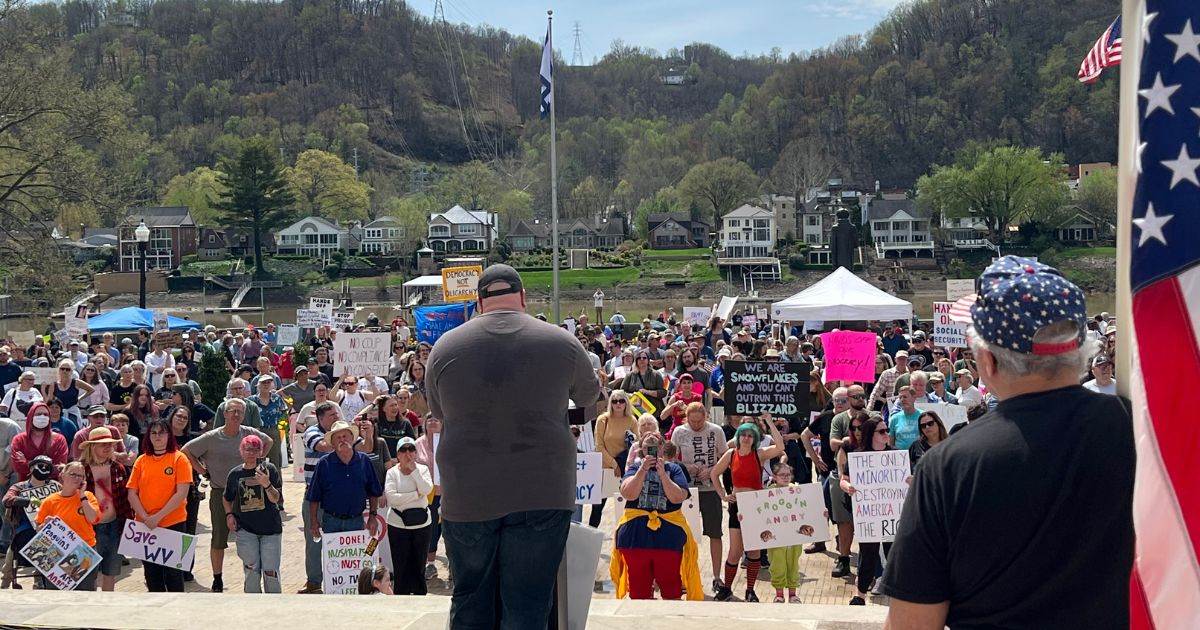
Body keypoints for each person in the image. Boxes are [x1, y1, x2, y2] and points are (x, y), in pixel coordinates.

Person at [882, 256, 1134, 630]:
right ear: (1082, 351)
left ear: (987, 361)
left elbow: (913, 623)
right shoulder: (1142, 433)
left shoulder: (947, 467)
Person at [425, 264, 601, 629]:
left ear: (478, 302)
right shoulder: (563, 342)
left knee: (470, 598)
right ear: (523, 298)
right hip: (543, 489)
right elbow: (588, 394)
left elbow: (439, 411)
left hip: (467, 492)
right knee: (528, 603)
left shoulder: (444, 347)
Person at [181, 398, 273, 592]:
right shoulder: (212, 437)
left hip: (249, 491)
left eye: (240, 411)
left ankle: (253, 578)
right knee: (219, 538)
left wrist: (258, 462)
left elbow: (268, 440)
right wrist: (202, 471)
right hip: (220, 491)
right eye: (232, 411)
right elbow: (186, 451)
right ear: (224, 413)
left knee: (251, 535)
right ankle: (217, 578)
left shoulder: (249, 433)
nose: (236, 415)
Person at [609, 432, 701, 601]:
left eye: (656, 449)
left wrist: (663, 475)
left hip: (668, 537)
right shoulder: (635, 468)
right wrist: (643, 469)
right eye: (647, 449)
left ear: (662, 449)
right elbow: (628, 494)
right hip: (635, 537)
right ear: (642, 452)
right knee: (638, 587)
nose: (653, 453)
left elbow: (678, 497)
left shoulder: (674, 469)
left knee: (670, 584)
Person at [710, 416, 785, 602]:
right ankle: (727, 587)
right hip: (737, 504)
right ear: (737, 436)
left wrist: (769, 423)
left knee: (754, 551)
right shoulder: (731, 454)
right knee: (735, 551)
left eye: (750, 435)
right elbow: (714, 473)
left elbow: (780, 447)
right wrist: (722, 495)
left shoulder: (758, 454)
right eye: (742, 434)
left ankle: (750, 590)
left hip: (756, 505)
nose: (746, 438)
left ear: (755, 438)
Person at [127, 418, 193, 592]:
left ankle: (175, 610)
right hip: (145, 525)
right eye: (153, 433)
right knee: (151, 572)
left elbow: (181, 493)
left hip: (173, 522)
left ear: (168, 435)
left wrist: (158, 516)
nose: (157, 436)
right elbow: (132, 493)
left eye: (161, 433)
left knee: (173, 573)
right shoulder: (141, 460)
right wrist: (146, 517)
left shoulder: (179, 459)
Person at [839, 415, 899, 605]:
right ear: (870, 434)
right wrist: (847, 487)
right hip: (868, 513)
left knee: (895, 553)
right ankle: (860, 594)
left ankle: (901, 595)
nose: (886, 434)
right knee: (869, 553)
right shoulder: (858, 456)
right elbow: (843, 479)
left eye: (887, 430)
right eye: (882, 431)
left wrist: (910, 480)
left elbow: (907, 479)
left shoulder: (896, 454)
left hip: (892, 513)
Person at [670, 401, 729, 590]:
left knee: (715, 533)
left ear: (706, 417)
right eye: (693, 422)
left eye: (699, 421)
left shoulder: (716, 431)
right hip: (687, 490)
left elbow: (725, 457)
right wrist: (687, 467)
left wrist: (712, 470)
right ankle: (683, 574)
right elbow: (671, 457)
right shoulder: (679, 432)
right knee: (684, 535)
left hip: (711, 489)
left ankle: (717, 576)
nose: (696, 425)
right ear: (687, 418)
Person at [305, 420, 384, 547]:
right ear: (333, 442)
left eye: (345, 436)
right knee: (333, 563)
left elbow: (374, 491)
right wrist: (313, 520)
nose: (342, 440)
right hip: (331, 521)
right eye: (338, 438)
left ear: (352, 438)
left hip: (356, 520)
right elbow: (314, 495)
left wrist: (373, 516)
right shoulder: (323, 464)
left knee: (356, 562)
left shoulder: (365, 461)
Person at [223, 435, 283, 593]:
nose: (251, 453)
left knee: (271, 571)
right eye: (247, 449)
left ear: (261, 451)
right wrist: (229, 515)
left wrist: (267, 484)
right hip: (246, 529)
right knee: (251, 570)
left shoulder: (269, 469)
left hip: (270, 528)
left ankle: (275, 604)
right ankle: (252, 603)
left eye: (255, 449)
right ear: (241, 451)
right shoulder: (235, 473)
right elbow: (226, 497)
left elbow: (276, 498)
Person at [78, 426, 132, 592]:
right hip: (89, 527)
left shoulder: (118, 468)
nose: (108, 447)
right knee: (88, 572)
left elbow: (126, 500)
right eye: (103, 444)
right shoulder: (81, 470)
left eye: (110, 443)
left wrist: (128, 525)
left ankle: (108, 604)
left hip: (115, 524)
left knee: (111, 570)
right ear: (92, 447)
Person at [35, 461, 100, 591]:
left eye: (81, 476)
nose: (77, 478)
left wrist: (82, 496)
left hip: (85, 552)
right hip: (58, 553)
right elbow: (38, 530)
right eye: (73, 474)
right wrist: (45, 526)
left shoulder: (88, 497)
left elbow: (93, 519)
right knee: (56, 593)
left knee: (84, 593)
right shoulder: (49, 501)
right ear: (63, 476)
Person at [384, 436, 434, 595]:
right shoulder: (392, 473)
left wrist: (415, 472)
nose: (407, 453)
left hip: (422, 525)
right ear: (397, 454)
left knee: (419, 566)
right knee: (401, 566)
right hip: (398, 525)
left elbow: (427, 490)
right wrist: (415, 495)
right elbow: (393, 499)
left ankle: (420, 597)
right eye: (403, 450)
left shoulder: (423, 469)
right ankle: (401, 599)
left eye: (411, 449)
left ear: (416, 452)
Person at [1, 455, 59, 589]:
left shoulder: (55, 487)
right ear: (32, 468)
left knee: (48, 541)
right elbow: (6, 500)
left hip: (49, 530)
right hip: (24, 529)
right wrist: (27, 501)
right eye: (40, 466)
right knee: (27, 542)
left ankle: (39, 579)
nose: (43, 469)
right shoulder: (20, 487)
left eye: (47, 468)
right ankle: (6, 580)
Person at [765, 463, 812, 603]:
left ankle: (793, 594)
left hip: (794, 537)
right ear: (774, 476)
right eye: (782, 475)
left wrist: (821, 513)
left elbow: (808, 508)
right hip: (776, 538)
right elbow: (759, 513)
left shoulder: (796, 490)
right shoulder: (767, 493)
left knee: (793, 564)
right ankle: (779, 594)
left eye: (788, 475)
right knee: (777, 565)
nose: (786, 478)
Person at [591, 390, 637, 528]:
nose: (618, 404)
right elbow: (598, 446)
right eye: (615, 401)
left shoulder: (632, 420)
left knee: (627, 506)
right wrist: (614, 464)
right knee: (597, 507)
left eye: (621, 401)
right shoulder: (603, 419)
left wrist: (622, 466)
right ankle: (591, 537)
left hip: (625, 469)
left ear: (626, 403)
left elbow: (636, 445)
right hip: (605, 469)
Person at [415, 414, 443, 580]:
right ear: (425, 425)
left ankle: (454, 567)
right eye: (430, 420)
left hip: (448, 492)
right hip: (428, 494)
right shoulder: (418, 444)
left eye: (436, 420)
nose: (433, 422)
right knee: (431, 530)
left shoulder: (448, 441)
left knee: (449, 530)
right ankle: (431, 564)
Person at [11, 402, 68, 481]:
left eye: (45, 415)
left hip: (51, 488)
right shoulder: (19, 440)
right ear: (31, 417)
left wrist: (28, 463)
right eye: (38, 414)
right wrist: (48, 465)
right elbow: (18, 466)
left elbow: (59, 468)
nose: (42, 417)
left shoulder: (59, 440)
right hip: (26, 489)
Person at [250, 377, 287, 471]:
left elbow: (283, 409)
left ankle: (276, 482)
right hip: (257, 430)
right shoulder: (252, 400)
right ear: (258, 385)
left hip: (273, 429)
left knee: (275, 458)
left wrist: (275, 419)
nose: (266, 384)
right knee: (257, 456)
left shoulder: (276, 398)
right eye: (263, 383)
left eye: (268, 382)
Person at [43, 359, 93, 425]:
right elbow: (49, 401)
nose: (65, 371)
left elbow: (91, 389)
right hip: (59, 414)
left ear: (71, 371)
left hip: (73, 413)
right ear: (59, 370)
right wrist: (43, 390)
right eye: (62, 369)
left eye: (68, 369)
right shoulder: (53, 385)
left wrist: (80, 398)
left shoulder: (76, 382)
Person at [375, 392, 419, 457]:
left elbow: (412, 444)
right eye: (391, 405)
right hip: (383, 461)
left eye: (396, 405)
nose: (394, 408)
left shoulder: (405, 423)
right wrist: (373, 403)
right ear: (383, 408)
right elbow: (358, 418)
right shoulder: (377, 422)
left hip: (401, 460)